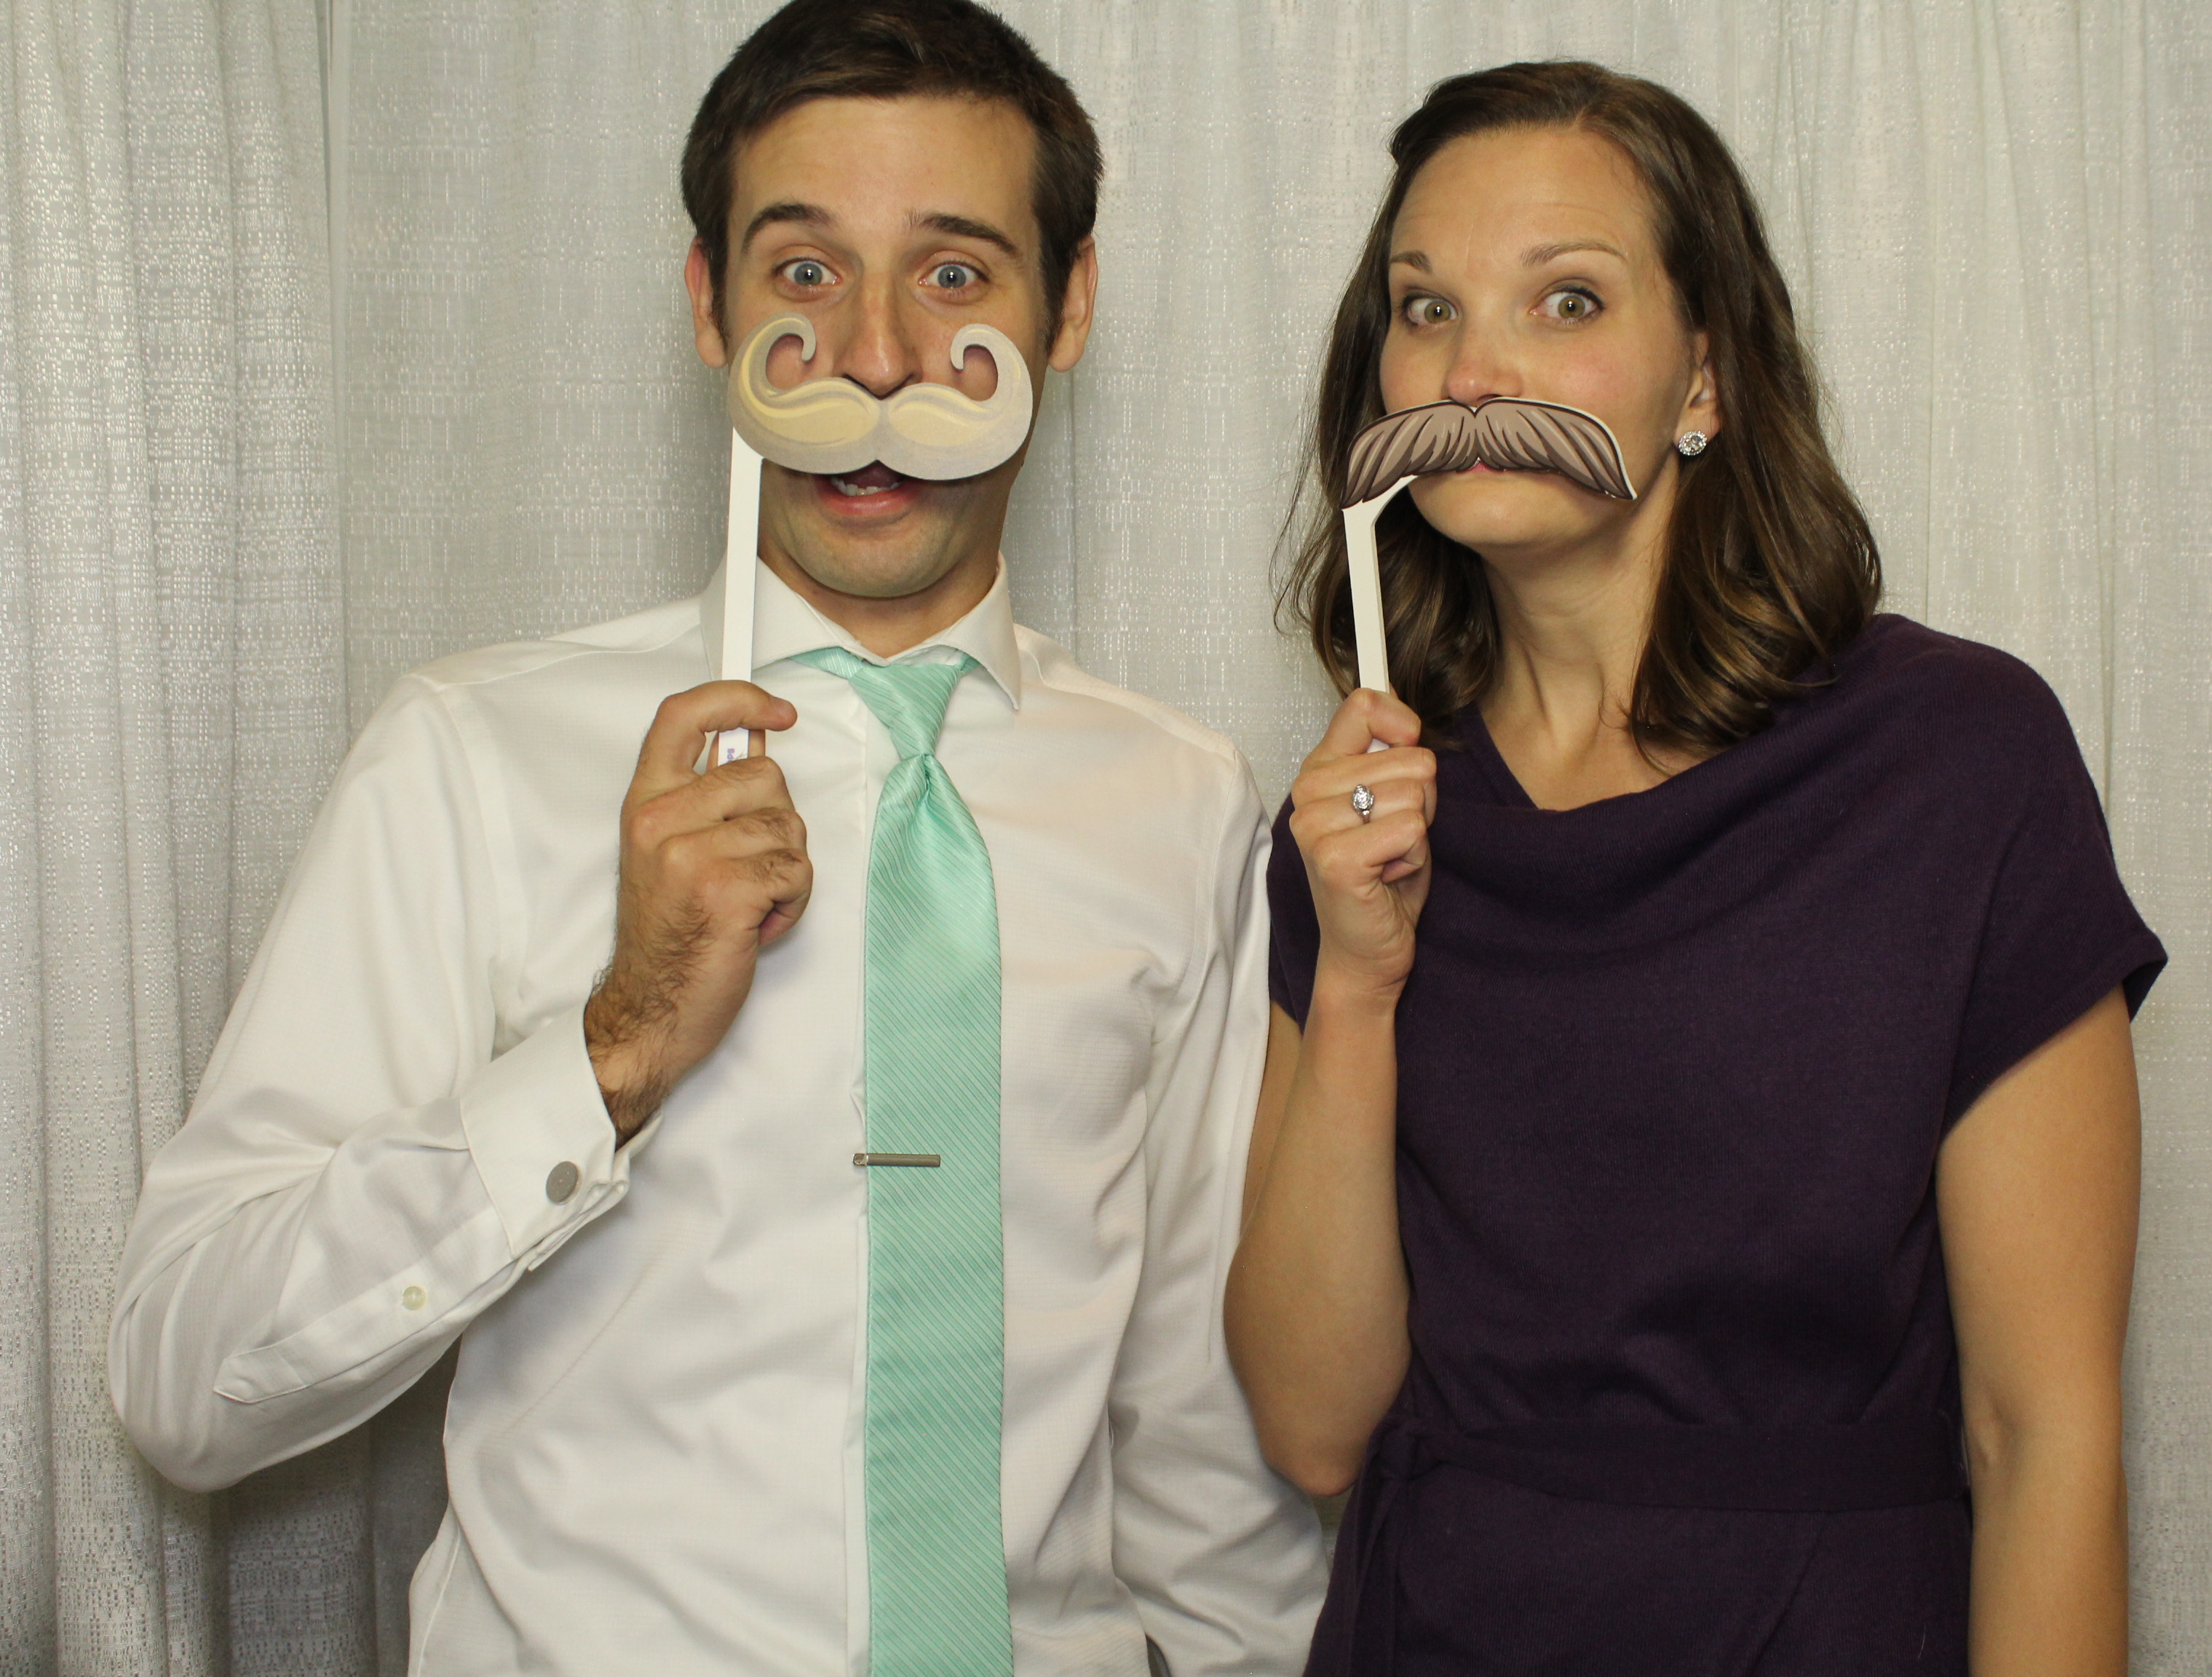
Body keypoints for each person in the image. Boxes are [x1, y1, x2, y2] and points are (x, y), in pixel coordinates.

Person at [108, 3, 1325, 1672]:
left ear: (1073, 309)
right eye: (806, 272)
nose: (879, 354)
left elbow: (1194, 1422)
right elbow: (187, 1380)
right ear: (710, 307)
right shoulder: (470, 755)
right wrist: (610, 1051)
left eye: (958, 271)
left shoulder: (1182, 800)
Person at [1226, 60, 2163, 1677]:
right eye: (1424, 307)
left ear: (1706, 378)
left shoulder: (1955, 764)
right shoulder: (1361, 816)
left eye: (1566, 298)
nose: (1477, 365)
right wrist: (1363, 977)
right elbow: (1315, 1428)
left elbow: (2044, 1434)